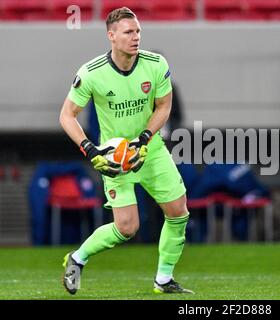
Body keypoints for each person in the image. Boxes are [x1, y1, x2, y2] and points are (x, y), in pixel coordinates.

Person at [59, 7, 193, 294]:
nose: (136, 37)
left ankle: (164, 280)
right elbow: (67, 116)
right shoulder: (91, 73)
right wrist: (90, 149)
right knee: (127, 228)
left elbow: (164, 106)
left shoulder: (156, 64)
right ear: (112, 36)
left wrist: (145, 138)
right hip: (115, 159)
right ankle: (77, 259)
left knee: (178, 212)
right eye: (129, 32)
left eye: (138, 31)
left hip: (151, 151)